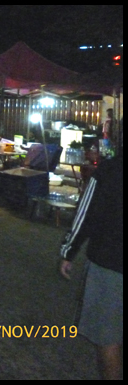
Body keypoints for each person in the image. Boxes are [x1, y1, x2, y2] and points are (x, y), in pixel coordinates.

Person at [59, 154, 123, 380]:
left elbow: (86, 213)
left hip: (110, 265)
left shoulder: (110, 170)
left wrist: (69, 251)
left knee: (108, 337)